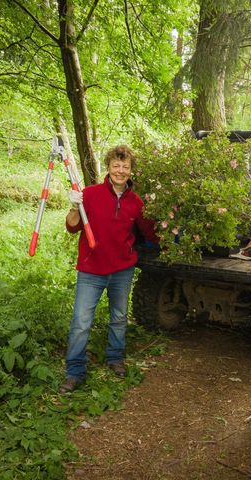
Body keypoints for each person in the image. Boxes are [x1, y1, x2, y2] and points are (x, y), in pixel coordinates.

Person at [59, 145, 158, 394]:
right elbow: (72, 227)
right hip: (91, 271)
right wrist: (73, 207)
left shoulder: (136, 203)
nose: (120, 171)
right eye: (116, 165)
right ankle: (74, 372)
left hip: (122, 271)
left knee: (118, 318)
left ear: (131, 170)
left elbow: (150, 234)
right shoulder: (90, 195)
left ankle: (115, 359)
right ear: (109, 167)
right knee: (81, 322)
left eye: (125, 167)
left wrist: (169, 224)